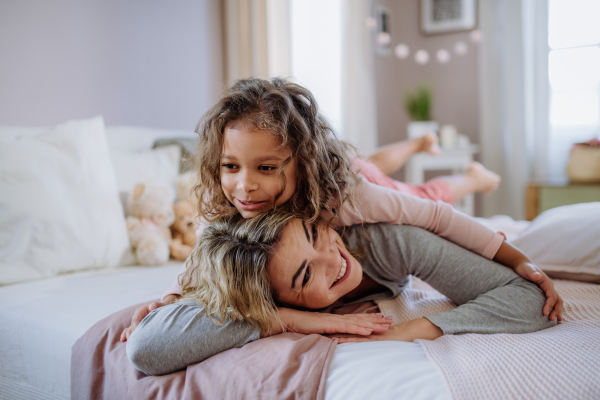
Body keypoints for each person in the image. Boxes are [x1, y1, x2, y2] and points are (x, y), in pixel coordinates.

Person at [120, 77, 561, 342]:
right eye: (230, 166)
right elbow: (201, 267)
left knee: (423, 195)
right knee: (371, 161)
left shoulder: (347, 199)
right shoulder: (231, 216)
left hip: (359, 180)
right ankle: (415, 145)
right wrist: (174, 298)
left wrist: (517, 259)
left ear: (302, 163)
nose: (244, 186)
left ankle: (473, 177)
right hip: (349, 167)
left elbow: (438, 220)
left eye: (267, 167)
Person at [126, 213, 558, 376]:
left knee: (427, 196)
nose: (333, 261)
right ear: (279, 299)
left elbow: (526, 296)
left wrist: (416, 329)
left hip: (374, 192)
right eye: (303, 277)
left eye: (315, 235)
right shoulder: (263, 294)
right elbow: (146, 348)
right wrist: (290, 320)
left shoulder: (388, 241)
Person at [356, 132, 500, 205]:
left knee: (420, 196)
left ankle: (474, 179)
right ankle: (419, 143)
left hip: (346, 181)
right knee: (366, 166)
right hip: (344, 165)